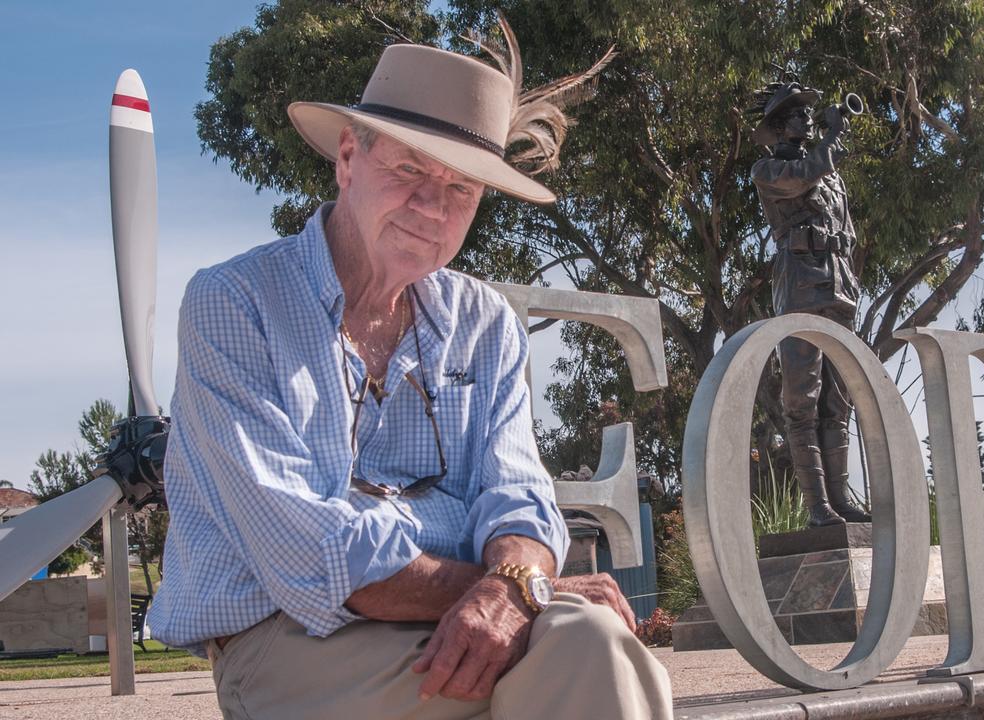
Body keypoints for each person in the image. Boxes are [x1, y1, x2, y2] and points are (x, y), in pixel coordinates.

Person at [148, 37, 673, 720]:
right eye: (409, 170)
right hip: (289, 640)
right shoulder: (236, 303)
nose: (433, 206)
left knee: (599, 644)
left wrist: (516, 585)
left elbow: (516, 493)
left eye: (461, 188)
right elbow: (311, 549)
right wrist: (519, 587)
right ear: (347, 159)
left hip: (461, 611)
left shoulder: (484, 322)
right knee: (575, 659)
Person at [749, 81, 871, 527]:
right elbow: (805, 176)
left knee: (839, 400)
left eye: (809, 114)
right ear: (781, 126)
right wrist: (833, 139)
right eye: (799, 114)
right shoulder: (769, 170)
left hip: (838, 285)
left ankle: (841, 501)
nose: (809, 119)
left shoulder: (829, 174)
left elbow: (848, 229)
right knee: (802, 399)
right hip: (801, 283)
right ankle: (817, 505)